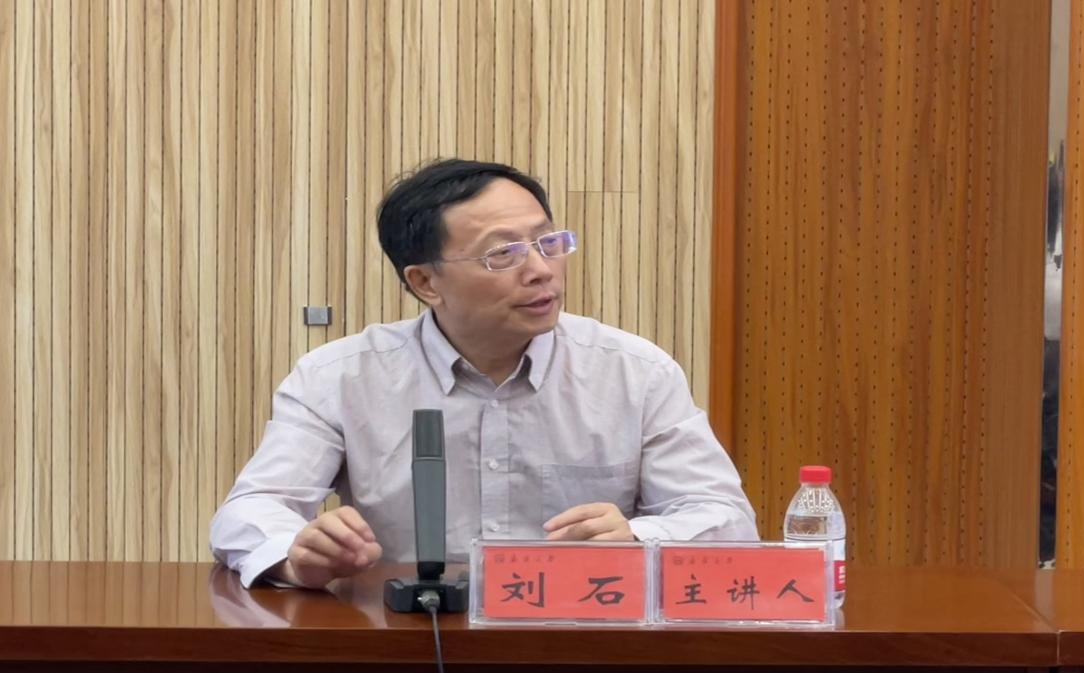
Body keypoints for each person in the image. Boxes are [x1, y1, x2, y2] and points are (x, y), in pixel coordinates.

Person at [210, 158, 759, 589]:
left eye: (548, 242)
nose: (541, 270)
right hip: (410, 641)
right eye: (504, 254)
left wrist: (637, 537)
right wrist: (296, 557)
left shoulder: (635, 373)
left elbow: (726, 519)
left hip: (584, 641)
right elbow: (250, 510)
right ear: (426, 282)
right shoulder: (340, 377)